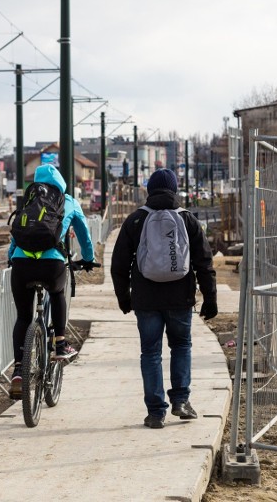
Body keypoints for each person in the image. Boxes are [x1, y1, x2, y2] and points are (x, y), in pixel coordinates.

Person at [111, 168, 217, 429]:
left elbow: (119, 264)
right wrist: (210, 297)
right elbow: (205, 262)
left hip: (146, 300)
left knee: (150, 353)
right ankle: (181, 401)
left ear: (149, 190)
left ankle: (156, 412)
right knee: (181, 346)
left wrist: (125, 298)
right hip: (180, 298)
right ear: (175, 190)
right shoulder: (189, 220)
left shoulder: (135, 220)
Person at [7, 164, 98, 399]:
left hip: (22, 265)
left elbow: (17, 234)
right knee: (57, 293)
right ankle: (60, 344)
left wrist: (12, 258)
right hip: (52, 264)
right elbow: (85, 236)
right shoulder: (68, 201)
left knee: (23, 317)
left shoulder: (30, 200)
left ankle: (18, 370)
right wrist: (88, 259)